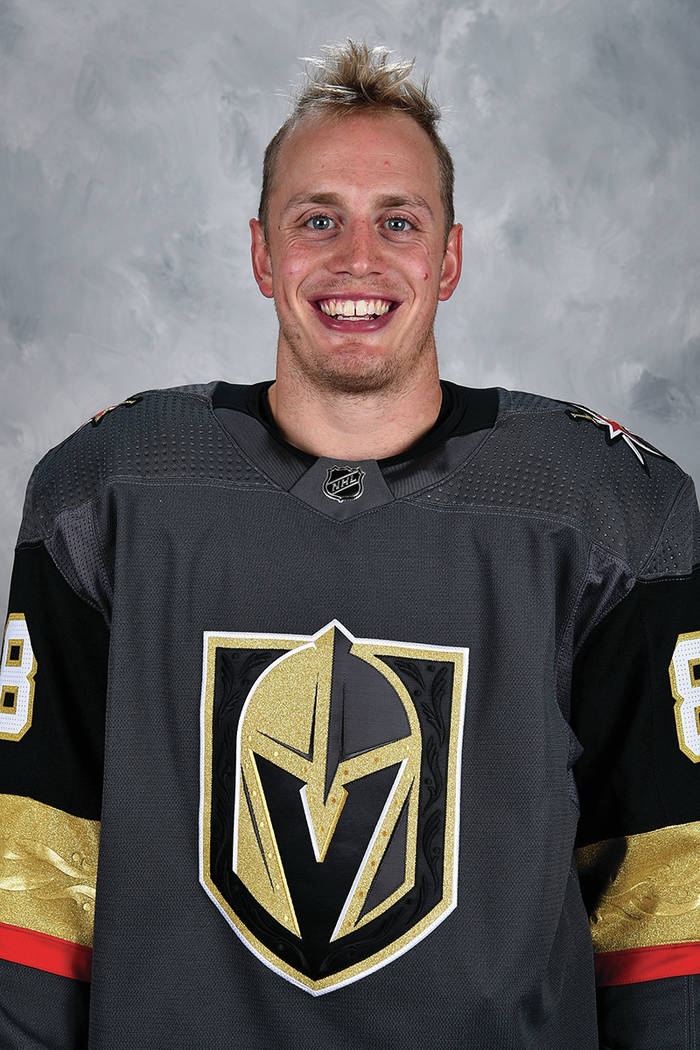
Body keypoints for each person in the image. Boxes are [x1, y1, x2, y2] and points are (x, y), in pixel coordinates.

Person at [0, 39, 698, 1050]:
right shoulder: (107, 492)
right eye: (316, 220)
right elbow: (33, 886)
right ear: (261, 253)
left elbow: (670, 901)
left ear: (448, 257)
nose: (356, 261)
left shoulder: (603, 511)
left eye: (397, 223)